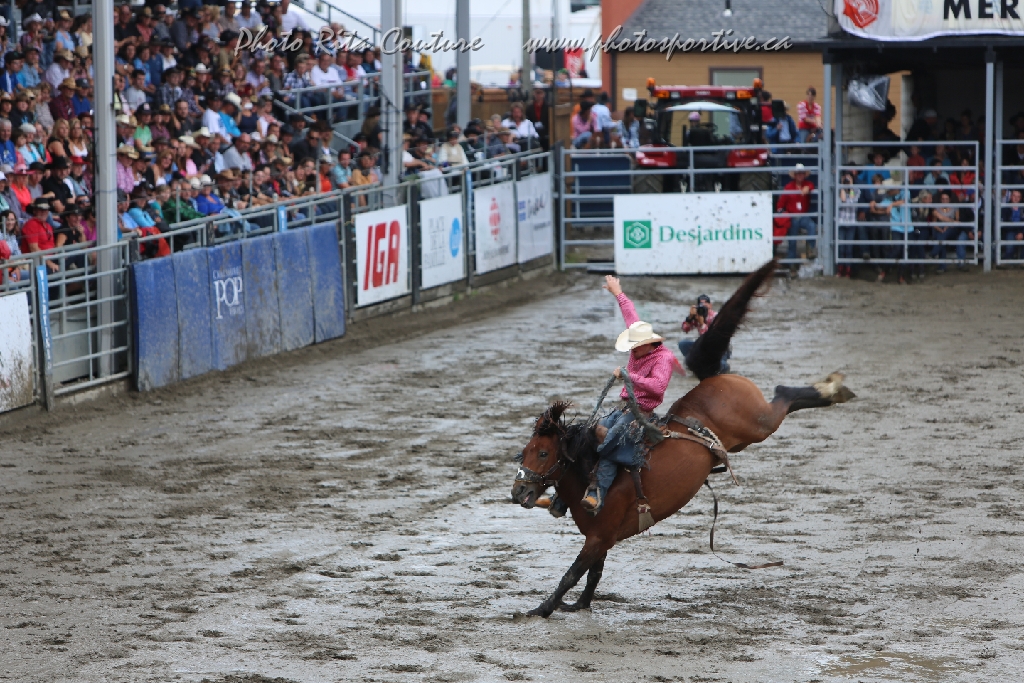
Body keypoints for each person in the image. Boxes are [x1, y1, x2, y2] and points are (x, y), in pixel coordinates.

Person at [579, 275, 676, 514]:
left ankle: (596, 494)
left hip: (641, 412)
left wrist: (629, 376)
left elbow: (658, 387)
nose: (632, 350)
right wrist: (618, 292)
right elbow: (630, 315)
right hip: (624, 408)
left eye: (635, 346)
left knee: (612, 442)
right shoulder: (640, 341)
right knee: (591, 433)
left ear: (647, 344)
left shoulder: (663, 359)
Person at [678, 294, 729, 372]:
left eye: (706, 303)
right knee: (683, 344)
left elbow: (711, 338)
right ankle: (695, 364)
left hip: (719, 348)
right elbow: (685, 329)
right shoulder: (697, 316)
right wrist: (690, 318)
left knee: (720, 366)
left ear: (710, 305)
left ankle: (723, 368)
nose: (703, 306)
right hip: (704, 347)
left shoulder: (716, 317)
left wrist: (702, 324)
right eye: (701, 304)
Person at [777, 163, 816, 263]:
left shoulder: (807, 184)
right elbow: (780, 204)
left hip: (803, 216)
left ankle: (810, 250)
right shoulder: (788, 187)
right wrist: (784, 215)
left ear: (804, 175)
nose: (800, 175)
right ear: (794, 175)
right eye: (798, 173)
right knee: (792, 240)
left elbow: (812, 185)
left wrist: (808, 188)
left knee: (812, 226)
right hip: (792, 216)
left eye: (802, 173)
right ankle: (792, 261)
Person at [1001, 189, 1024, 262]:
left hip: (1021, 231)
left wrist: (1022, 233)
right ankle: (1008, 260)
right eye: (1014, 196)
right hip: (1010, 231)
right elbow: (1004, 224)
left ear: (1021, 198)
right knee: (1010, 237)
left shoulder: (1022, 208)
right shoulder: (1005, 208)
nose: (1016, 198)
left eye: (1018, 196)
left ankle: (1022, 260)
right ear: (1011, 196)